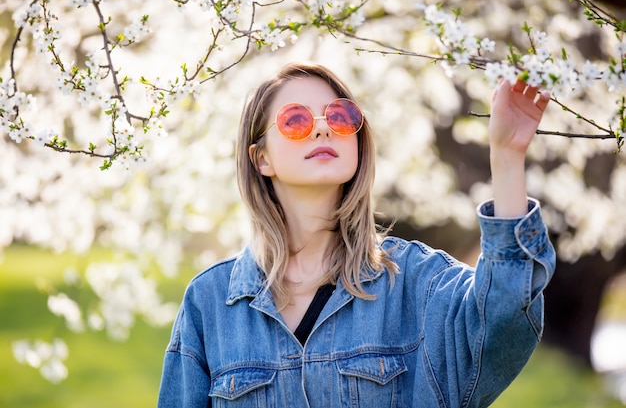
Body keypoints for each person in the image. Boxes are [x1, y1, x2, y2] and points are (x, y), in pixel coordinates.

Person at [157, 62, 556, 408]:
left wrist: (507, 156)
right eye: (295, 120)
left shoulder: (415, 282)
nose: (322, 130)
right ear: (262, 158)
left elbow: (503, 318)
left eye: (339, 117)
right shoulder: (209, 304)